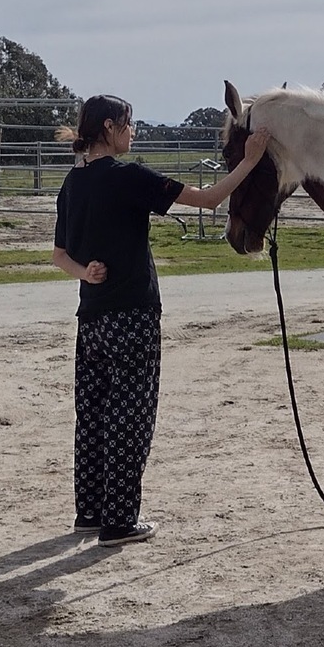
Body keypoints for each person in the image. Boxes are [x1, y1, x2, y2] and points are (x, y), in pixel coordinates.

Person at [52, 94, 270, 546]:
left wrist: (86, 275)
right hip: (132, 314)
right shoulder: (128, 176)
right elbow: (209, 199)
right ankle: (120, 522)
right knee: (129, 416)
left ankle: (89, 513)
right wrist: (249, 162)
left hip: (90, 319)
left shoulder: (71, 184)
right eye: (129, 125)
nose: (134, 133)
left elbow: (60, 255)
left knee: (91, 416)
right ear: (110, 128)